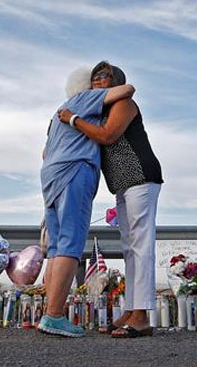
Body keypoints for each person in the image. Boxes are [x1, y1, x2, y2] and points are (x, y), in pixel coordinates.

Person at [59, 61, 163, 338]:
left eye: (104, 76)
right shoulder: (99, 109)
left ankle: (141, 316)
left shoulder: (125, 104)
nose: (97, 80)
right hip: (124, 184)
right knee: (130, 247)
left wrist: (72, 119)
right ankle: (131, 310)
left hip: (141, 176)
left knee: (140, 245)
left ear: (116, 80)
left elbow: (108, 136)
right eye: (94, 77)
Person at [37, 68, 135, 338]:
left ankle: (49, 312)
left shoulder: (58, 112)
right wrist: (102, 93)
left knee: (56, 246)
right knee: (71, 243)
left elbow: (45, 152)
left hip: (51, 176)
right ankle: (55, 316)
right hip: (74, 172)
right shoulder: (83, 100)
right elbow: (128, 90)